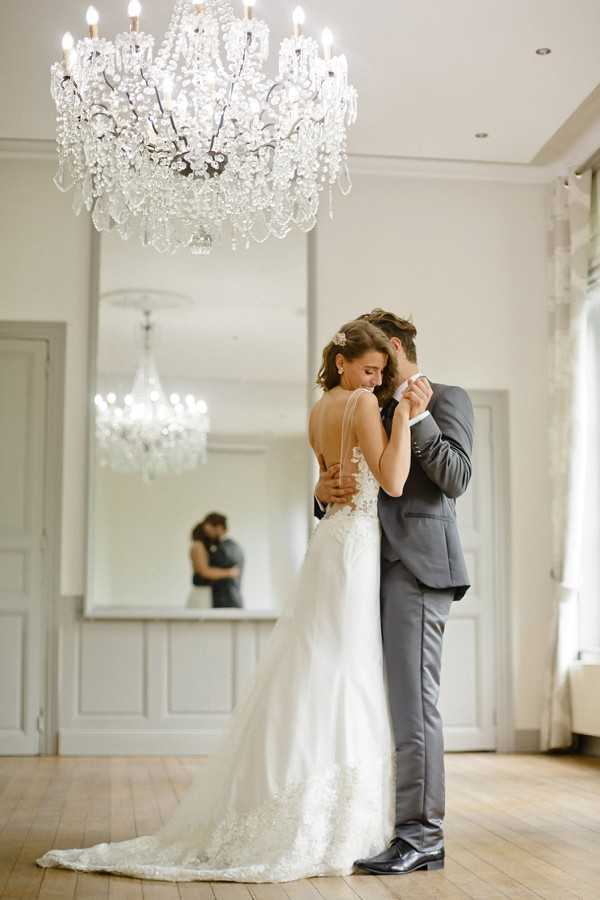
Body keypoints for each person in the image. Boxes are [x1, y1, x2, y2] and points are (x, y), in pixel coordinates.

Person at [36, 319, 413, 882]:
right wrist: (403, 412)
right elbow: (393, 480)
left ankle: (294, 800)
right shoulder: (363, 403)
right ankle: (330, 815)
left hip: (329, 542)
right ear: (342, 362)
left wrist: (324, 486)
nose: (376, 379)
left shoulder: (317, 412)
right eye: (369, 368)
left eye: (382, 373)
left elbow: (328, 480)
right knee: (344, 667)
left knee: (316, 665)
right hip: (355, 545)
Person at [315, 308, 474, 876]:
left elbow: (455, 478)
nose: (376, 372)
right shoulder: (365, 400)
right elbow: (354, 478)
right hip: (360, 570)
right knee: (366, 704)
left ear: (401, 345)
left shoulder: (449, 396)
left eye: (385, 356)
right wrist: (321, 487)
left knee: (412, 707)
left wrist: (421, 416)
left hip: (417, 570)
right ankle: (380, 824)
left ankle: (422, 836)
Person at [188, 513, 244, 609]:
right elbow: (204, 571)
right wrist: (229, 572)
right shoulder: (198, 546)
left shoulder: (219, 546)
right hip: (203, 594)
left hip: (213, 596)